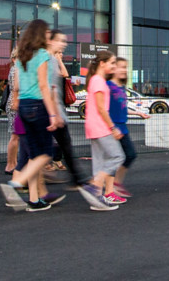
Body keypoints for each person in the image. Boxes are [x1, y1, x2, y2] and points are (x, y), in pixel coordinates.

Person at [0, 20, 74, 212]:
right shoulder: (41, 55)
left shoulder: (23, 55)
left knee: (33, 156)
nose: (49, 35)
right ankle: (15, 184)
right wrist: (53, 114)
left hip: (23, 106)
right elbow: (43, 87)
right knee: (44, 154)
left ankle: (34, 199)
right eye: (47, 32)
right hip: (37, 105)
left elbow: (17, 86)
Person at [44, 29, 108, 209]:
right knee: (55, 148)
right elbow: (49, 89)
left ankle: (75, 179)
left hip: (52, 111)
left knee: (61, 146)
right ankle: (22, 182)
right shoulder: (46, 60)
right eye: (60, 40)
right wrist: (54, 114)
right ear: (50, 41)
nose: (64, 43)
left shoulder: (51, 60)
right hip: (51, 112)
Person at [77, 51, 124, 209]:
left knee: (99, 161)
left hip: (93, 126)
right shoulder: (98, 81)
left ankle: (96, 199)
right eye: (111, 63)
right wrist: (112, 127)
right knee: (117, 156)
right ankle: (95, 185)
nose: (113, 66)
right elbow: (101, 109)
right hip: (100, 126)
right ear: (102, 64)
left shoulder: (96, 80)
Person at [111, 57, 143, 198]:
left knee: (130, 155)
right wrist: (111, 127)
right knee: (113, 159)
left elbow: (122, 108)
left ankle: (116, 184)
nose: (124, 70)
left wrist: (137, 112)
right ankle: (106, 187)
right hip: (112, 128)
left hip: (122, 127)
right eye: (121, 67)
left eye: (125, 67)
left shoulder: (121, 88)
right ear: (113, 69)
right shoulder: (108, 86)